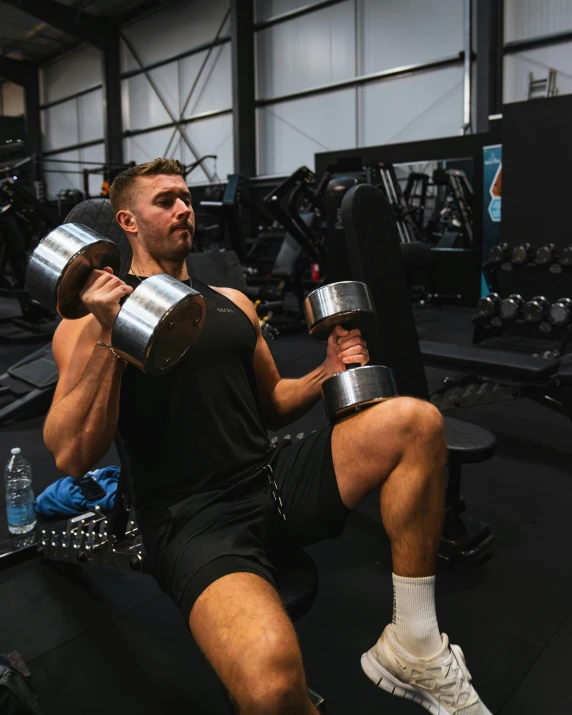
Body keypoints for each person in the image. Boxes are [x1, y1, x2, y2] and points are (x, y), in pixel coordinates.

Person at [43, 158, 491, 715]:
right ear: (127, 222)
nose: (184, 208)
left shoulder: (233, 302)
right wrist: (113, 335)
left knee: (417, 421)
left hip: (269, 478)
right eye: (165, 201)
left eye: (186, 198)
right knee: (275, 686)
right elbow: (69, 453)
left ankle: (414, 644)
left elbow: (274, 403)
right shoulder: (89, 321)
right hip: (191, 518)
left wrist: (326, 371)